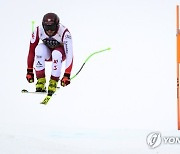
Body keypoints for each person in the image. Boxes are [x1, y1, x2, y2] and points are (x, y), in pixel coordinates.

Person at [26, 13, 73, 96]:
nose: (49, 30)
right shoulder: (38, 30)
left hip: (60, 53)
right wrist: (29, 70)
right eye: (47, 27)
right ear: (43, 26)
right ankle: (40, 80)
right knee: (39, 49)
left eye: (52, 27)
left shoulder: (65, 33)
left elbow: (69, 54)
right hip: (48, 53)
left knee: (56, 53)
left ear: (57, 26)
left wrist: (67, 74)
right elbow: (31, 51)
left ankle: (53, 82)